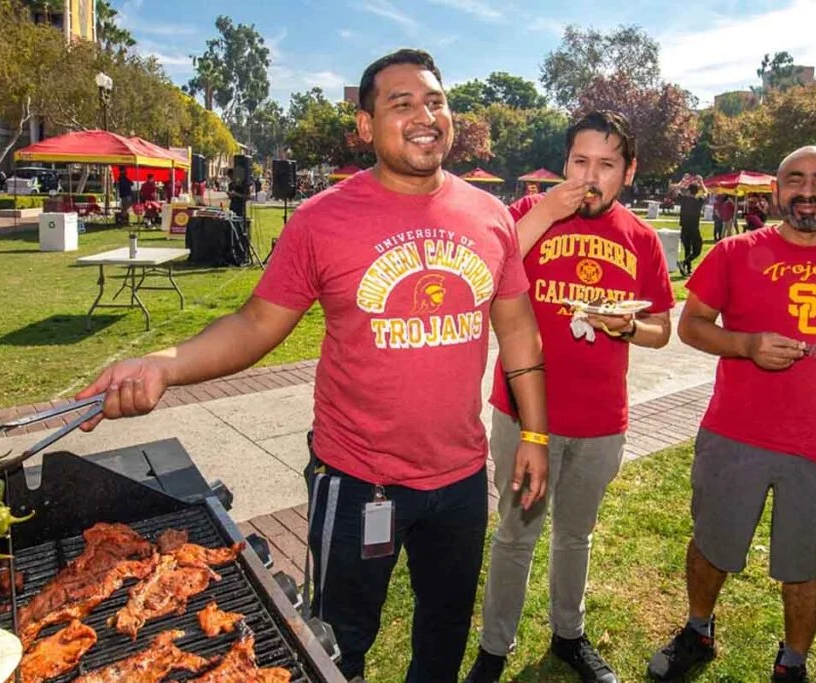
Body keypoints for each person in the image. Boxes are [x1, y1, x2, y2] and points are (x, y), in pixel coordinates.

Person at [73, 49, 548, 683]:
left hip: (460, 480)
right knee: (335, 646)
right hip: (356, 482)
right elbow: (255, 325)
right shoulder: (323, 219)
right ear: (365, 126)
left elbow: (518, 332)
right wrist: (164, 364)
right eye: (400, 103)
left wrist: (536, 435)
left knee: (443, 639)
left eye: (434, 100)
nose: (423, 114)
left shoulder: (490, 216)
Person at [647, 146, 816, 683]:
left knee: (806, 562)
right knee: (712, 544)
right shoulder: (735, 253)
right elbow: (691, 324)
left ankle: (793, 661)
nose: (808, 192)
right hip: (734, 434)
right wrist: (745, 344)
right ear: (776, 192)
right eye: (795, 180)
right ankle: (698, 629)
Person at [464, 111, 675, 683]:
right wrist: (548, 210)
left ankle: (568, 635)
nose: (591, 175)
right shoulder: (527, 216)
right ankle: (493, 648)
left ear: (627, 172)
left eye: (606, 164)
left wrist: (627, 327)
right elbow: (486, 272)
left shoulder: (641, 239)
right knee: (514, 534)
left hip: (601, 418)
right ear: (564, 165)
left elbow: (662, 328)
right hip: (523, 411)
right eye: (580, 161)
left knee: (575, 534)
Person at [678, 184, 705, 276]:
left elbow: (675, 189)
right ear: (697, 192)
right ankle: (685, 264)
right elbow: (706, 192)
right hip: (694, 228)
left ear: (689, 191)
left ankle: (687, 268)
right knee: (697, 250)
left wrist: (683, 181)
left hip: (684, 228)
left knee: (687, 248)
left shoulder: (684, 200)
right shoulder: (698, 201)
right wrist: (701, 182)